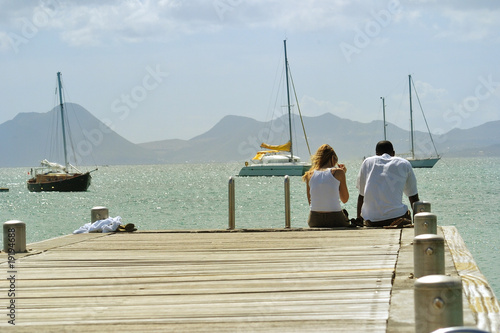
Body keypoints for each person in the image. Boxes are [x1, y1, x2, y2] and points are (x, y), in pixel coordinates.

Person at [356, 140, 419, 227]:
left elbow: (361, 196)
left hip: (371, 221)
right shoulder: (404, 163)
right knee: (406, 213)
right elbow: (413, 198)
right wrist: (418, 222)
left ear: (376, 153)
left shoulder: (367, 162)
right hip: (396, 218)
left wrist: (359, 219)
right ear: (393, 153)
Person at [302, 144, 350, 228]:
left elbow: (311, 202)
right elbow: (344, 199)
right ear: (332, 158)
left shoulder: (309, 175)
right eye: (336, 160)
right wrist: (342, 176)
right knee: (345, 214)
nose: (335, 163)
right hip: (335, 219)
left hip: (314, 220)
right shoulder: (338, 172)